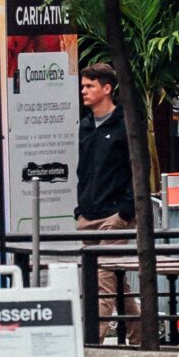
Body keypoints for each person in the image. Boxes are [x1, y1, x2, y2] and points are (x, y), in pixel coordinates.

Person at [75, 62, 138, 331]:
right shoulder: (87, 126)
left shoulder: (125, 124)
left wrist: (124, 211)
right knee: (112, 279)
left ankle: (90, 344)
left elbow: (136, 169)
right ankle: (141, 335)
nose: (84, 91)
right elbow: (84, 169)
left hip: (114, 215)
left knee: (102, 281)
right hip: (89, 214)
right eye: (82, 86)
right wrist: (80, 210)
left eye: (90, 86)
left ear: (107, 88)